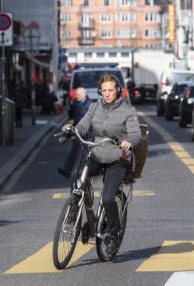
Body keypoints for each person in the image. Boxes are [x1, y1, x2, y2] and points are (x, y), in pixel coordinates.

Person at [61, 74, 141, 256]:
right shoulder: (94, 107)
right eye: (103, 90)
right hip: (96, 152)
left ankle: (113, 233)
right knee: (78, 180)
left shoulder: (128, 111)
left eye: (110, 90)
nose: (107, 94)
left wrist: (129, 141)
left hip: (117, 158)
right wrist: (71, 130)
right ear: (99, 91)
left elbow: (136, 135)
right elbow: (83, 126)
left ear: (118, 91)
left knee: (107, 197)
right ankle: (74, 213)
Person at [58, 87, 92, 178]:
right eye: (76, 94)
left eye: (78, 94)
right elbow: (71, 113)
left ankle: (85, 172)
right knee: (73, 151)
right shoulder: (75, 103)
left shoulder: (90, 104)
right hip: (77, 131)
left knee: (87, 154)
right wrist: (71, 120)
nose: (76, 96)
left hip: (87, 132)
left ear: (84, 94)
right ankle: (67, 170)